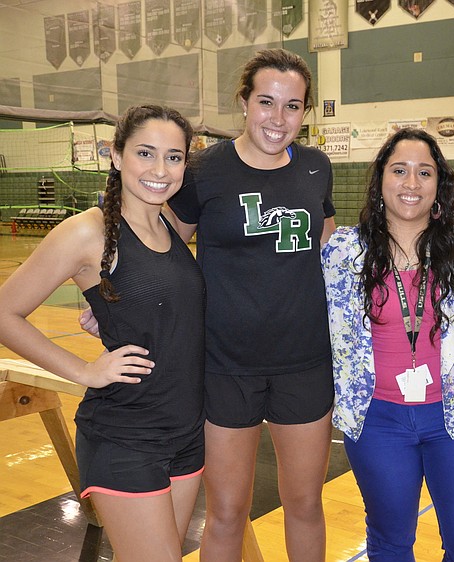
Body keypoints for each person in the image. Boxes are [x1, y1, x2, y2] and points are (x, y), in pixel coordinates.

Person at [82, 49, 336, 560]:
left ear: (305, 112)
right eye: (266, 102)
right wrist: (116, 301)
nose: (278, 118)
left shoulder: (315, 167)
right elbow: (159, 248)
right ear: (243, 102)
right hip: (224, 367)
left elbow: (325, 240)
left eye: (292, 106)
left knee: (306, 503)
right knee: (227, 512)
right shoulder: (204, 170)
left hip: (304, 364)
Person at [0, 105, 204, 562]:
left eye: (173, 157)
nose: (160, 169)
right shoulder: (85, 232)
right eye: (145, 153)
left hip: (186, 432)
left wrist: (112, 316)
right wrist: (83, 371)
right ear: (115, 155)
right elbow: (4, 313)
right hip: (126, 436)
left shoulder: (169, 225)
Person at [322, 128, 454, 560]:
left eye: (425, 172)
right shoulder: (344, 251)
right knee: (390, 542)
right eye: (399, 170)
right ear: (381, 179)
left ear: (440, 184)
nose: (411, 183)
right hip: (377, 420)